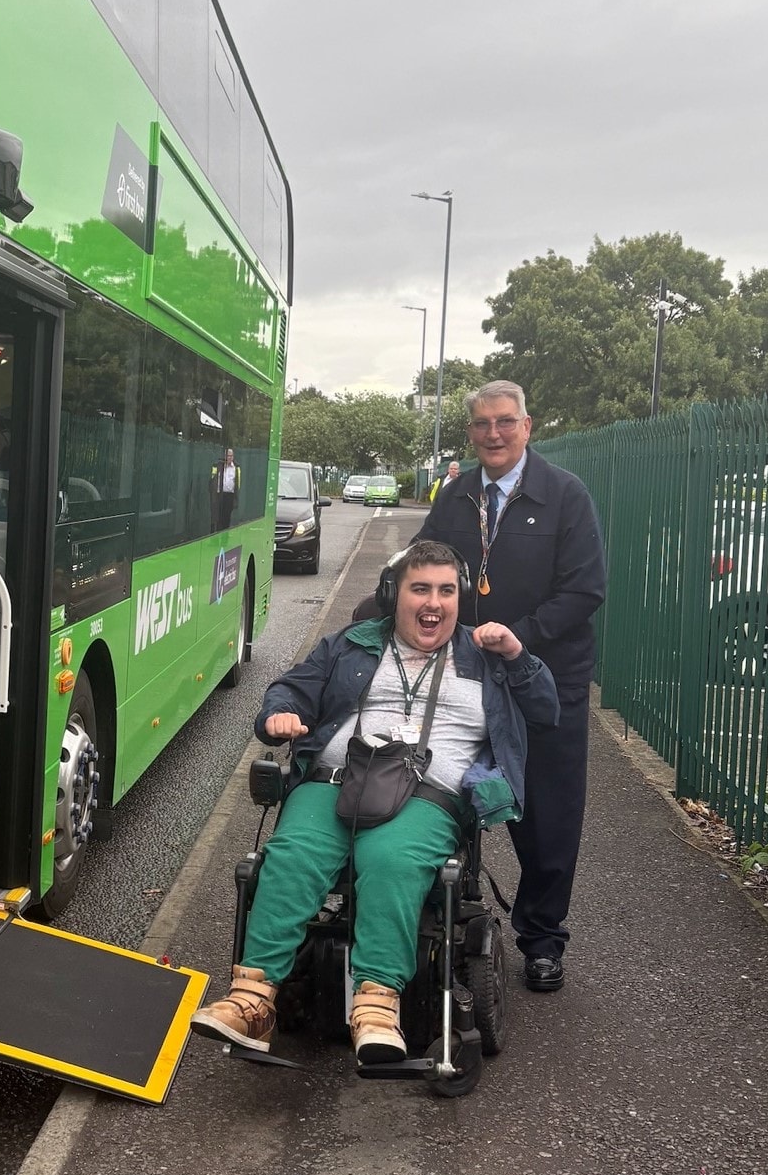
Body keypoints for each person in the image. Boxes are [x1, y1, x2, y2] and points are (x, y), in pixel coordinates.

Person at [189, 540, 559, 1062]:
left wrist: (519, 655)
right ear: (393, 595)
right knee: (292, 855)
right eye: (420, 589)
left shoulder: (487, 655)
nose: (434, 603)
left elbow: (546, 711)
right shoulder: (351, 644)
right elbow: (290, 689)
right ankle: (252, 1000)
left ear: (460, 597)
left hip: (429, 794)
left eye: (446, 591)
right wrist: (279, 715)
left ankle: (378, 1007)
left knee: (390, 860)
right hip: (334, 780)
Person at [417, 379, 606, 992]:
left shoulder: (565, 495)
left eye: (505, 421)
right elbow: (422, 566)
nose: (493, 434)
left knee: (548, 814)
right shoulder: (456, 495)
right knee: (435, 785)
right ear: (471, 432)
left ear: (527, 426)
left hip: (545, 680)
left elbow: (585, 590)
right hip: (466, 674)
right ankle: (435, 913)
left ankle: (542, 938)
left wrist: (517, 637)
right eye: (481, 424)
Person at [210, 447, 240, 531]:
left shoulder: (236, 468)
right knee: (217, 517)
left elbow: (237, 483)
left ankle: (225, 534)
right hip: (219, 495)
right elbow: (212, 480)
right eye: (227, 456)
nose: (229, 458)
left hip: (229, 496)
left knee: (226, 518)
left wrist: (235, 498)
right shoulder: (218, 466)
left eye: (231, 456)